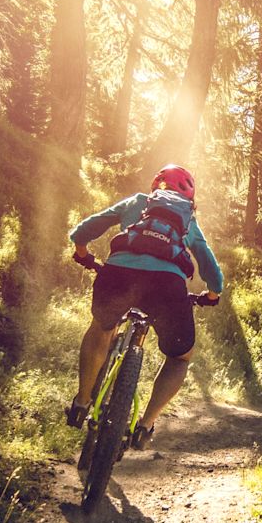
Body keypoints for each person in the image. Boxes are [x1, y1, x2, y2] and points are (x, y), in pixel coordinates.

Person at [65, 163, 223, 448]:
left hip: (117, 277)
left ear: (156, 186)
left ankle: (81, 402)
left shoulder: (138, 202)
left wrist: (82, 252)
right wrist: (212, 294)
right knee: (180, 358)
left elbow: (87, 228)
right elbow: (209, 264)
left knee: (102, 328)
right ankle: (145, 425)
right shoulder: (188, 218)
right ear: (187, 196)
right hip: (167, 287)